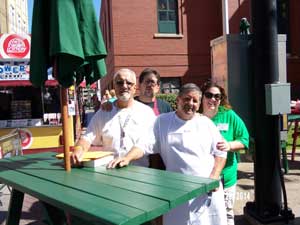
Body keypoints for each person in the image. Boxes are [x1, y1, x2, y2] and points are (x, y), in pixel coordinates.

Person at [108, 83, 228, 225]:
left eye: (195, 100)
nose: (191, 103)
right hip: (177, 193)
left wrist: (214, 177)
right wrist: (127, 157)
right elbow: (144, 144)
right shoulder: (162, 122)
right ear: (178, 99)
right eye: (187, 99)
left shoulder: (206, 123)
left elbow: (220, 151)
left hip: (207, 190)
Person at [71, 68, 156, 167]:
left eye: (129, 83)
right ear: (114, 86)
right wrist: (79, 150)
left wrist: (127, 158)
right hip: (110, 172)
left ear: (134, 88)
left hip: (140, 174)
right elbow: (87, 138)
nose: (124, 86)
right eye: (119, 83)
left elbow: (146, 143)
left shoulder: (146, 113)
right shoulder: (104, 112)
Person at [200, 80, 249, 225]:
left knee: (226, 213)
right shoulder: (195, 116)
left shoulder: (229, 115)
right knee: (204, 213)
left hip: (226, 177)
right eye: (209, 95)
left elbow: (244, 140)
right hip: (201, 177)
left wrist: (229, 145)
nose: (213, 99)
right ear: (202, 96)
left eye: (217, 96)